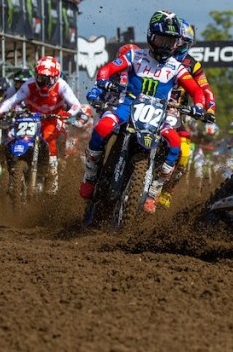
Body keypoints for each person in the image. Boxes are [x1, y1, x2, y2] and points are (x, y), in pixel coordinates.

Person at [79, 11, 212, 214]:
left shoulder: (176, 67)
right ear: (151, 36)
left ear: (177, 43)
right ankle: (90, 176)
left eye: (170, 41)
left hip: (159, 113)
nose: (165, 46)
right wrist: (103, 81)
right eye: (161, 39)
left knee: (175, 145)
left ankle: (155, 191)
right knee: (102, 127)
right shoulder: (135, 56)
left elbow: (196, 90)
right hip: (128, 106)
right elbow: (107, 69)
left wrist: (200, 106)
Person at [0, 56, 82, 195]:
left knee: (49, 140)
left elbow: (76, 104)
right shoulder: (29, 84)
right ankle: (14, 171)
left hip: (52, 118)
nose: (43, 83)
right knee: (12, 138)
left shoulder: (62, 85)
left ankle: (52, 181)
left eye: (48, 79)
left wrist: (68, 113)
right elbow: (12, 100)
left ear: (56, 77)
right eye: (40, 78)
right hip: (31, 118)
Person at [155, 19, 217, 208]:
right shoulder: (155, 56)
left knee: (184, 153)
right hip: (146, 107)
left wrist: (210, 108)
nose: (178, 47)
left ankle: (167, 190)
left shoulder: (192, 64)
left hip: (174, 114)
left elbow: (205, 88)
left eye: (184, 44)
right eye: (177, 42)